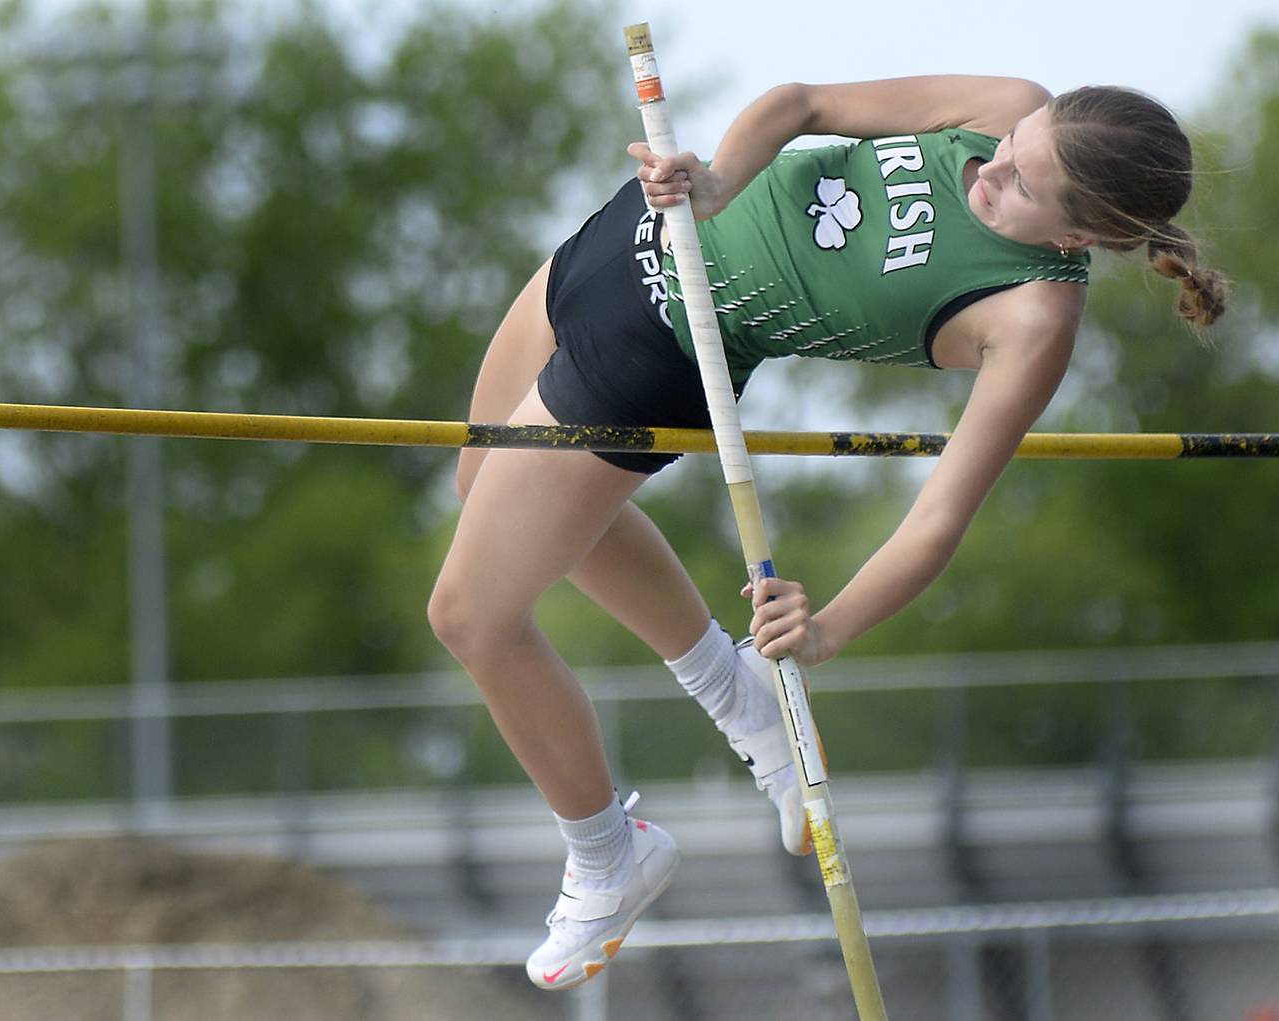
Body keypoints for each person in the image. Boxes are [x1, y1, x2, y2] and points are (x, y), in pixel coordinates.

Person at [427, 75, 1226, 991]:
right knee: (479, 486)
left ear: (1077, 235)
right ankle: (736, 693)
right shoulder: (1009, 103)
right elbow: (802, 104)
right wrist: (717, 177)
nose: (991, 165)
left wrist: (827, 630)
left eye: (1018, 183)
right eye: (1012, 143)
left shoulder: (1030, 315)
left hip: (663, 351)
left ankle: (608, 854)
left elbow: (938, 519)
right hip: (637, 232)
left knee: (470, 616)